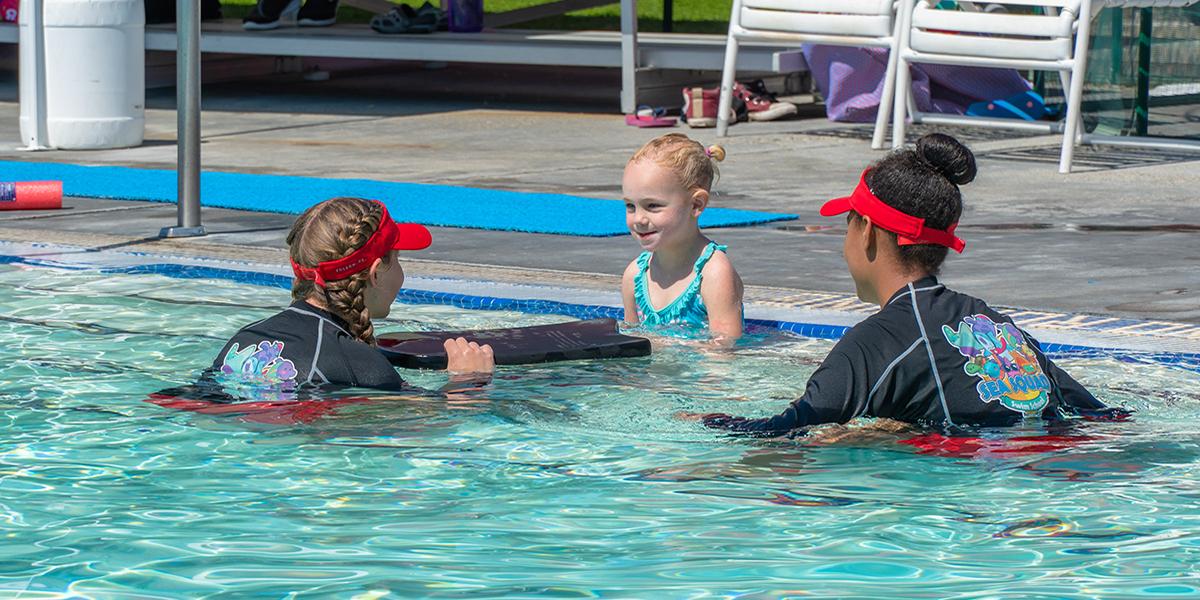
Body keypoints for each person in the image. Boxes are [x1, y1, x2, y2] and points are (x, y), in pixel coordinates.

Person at [703, 133, 1127, 435]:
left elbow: (785, 433)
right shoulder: (993, 325)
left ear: (866, 230)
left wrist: (704, 422)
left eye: (847, 224)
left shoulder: (874, 344)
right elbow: (1097, 414)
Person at [211, 197, 494, 396]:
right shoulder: (361, 366)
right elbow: (424, 423)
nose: (400, 270)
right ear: (375, 273)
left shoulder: (244, 339)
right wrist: (467, 383)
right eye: (396, 259)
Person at [620, 133, 745, 344]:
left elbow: (724, 350)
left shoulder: (713, 273)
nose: (639, 219)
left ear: (696, 205)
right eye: (630, 206)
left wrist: (664, 347)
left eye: (652, 206)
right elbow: (629, 348)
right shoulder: (634, 276)